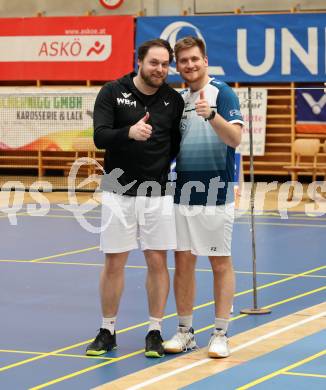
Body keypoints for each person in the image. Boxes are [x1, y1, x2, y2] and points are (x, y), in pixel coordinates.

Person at [86, 39, 184, 358]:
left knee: (157, 261)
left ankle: (154, 330)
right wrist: (128, 133)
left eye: (165, 64)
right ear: (139, 61)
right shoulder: (112, 91)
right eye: (154, 62)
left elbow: (174, 146)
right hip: (119, 193)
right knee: (115, 260)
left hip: (157, 194)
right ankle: (107, 329)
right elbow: (100, 137)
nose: (160, 69)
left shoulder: (172, 99)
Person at [164, 36, 243, 358]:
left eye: (194, 59)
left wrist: (212, 115)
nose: (190, 65)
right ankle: (185, 331)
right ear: (178, 66)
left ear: (205, 60)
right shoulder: (178, 100)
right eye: (183, 61)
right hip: (183, 193)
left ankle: (221, 333)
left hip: (215, 193)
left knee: (220, 263)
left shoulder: (222, 93)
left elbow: (235, 139)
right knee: (182, 262)